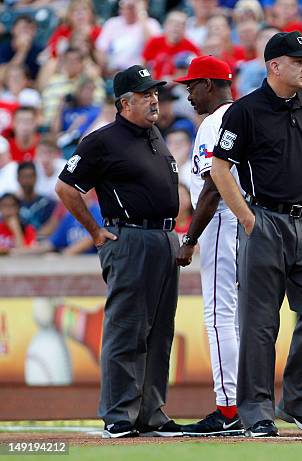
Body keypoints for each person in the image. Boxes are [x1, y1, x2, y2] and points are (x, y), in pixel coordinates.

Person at [210, 31, 302, 437]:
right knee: (261, 324)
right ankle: (256, 412)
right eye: (299, 61)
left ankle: (299, 402)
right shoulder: (244, 111)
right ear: (274, 66)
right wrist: (249, 220)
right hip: (265, 221)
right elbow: (219, 169)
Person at [55, 64, 183, 438]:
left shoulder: (155, 135)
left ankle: (151, 412)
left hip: (163, 238)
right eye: (146, 94)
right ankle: (118, 415)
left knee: (159, 332)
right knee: (127, 328)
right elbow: (66, 187)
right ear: (125, 103)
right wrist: (95, 231)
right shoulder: (102, 140)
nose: (154, 99)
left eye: (155, 92)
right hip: (129, 238)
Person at [173, 55, 244, 436]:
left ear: (209, 85)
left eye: (191, 86)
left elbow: (212, 189)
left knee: (219, 318)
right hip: (251, 222)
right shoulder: (246, 114)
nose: (188, 95)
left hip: (223, 221)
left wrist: (189, 239)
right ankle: (248, 406)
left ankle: (228, 410)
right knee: (244, 319)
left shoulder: (214, 122)